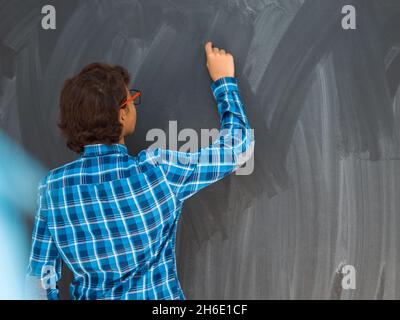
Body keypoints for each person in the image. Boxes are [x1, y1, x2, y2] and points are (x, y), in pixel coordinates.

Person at [26, 41, 254, 300]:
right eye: (131, 98)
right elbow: (239, 147)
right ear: (122, 114)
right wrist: (224, 81)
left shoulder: (52, 189)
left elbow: (38, 282)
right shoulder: (158, 172)